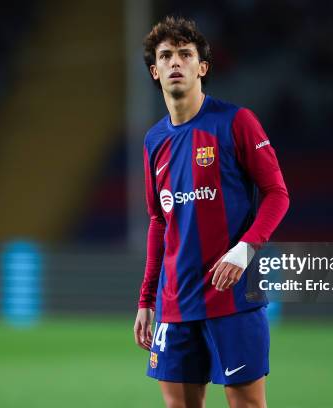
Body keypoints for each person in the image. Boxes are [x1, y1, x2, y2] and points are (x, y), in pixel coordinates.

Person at [133, 16, 289, 408]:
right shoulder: (154, 141)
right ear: (155, 71)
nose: (174, 63)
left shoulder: (237, 122)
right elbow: (158, 221)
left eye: (185, 55)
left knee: (247, 405)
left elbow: (277, 194)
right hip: (175, 304)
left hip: (233, 298)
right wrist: (146, 300)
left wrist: (245, 250)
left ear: (202, 67)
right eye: (165, 56)